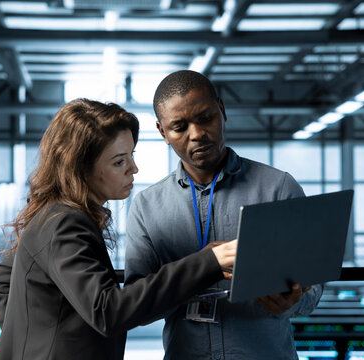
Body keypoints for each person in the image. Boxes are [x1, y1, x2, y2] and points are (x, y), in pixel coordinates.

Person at [0, 98, 238, 360]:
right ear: (81, 168)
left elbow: (2, 281)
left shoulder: (52, 214)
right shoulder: (66, 223)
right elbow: (107, 311)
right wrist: (208, 263)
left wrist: (32, 341)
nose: (133, 169)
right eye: (119, 162)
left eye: (131, 155)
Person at [124, 70, 324, 359]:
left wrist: (293, 301)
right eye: (179, 127)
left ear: (222, 110)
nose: (197, 134)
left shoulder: (278, 188)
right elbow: (136, 303)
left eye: (205, 118)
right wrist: (192, 273)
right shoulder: (146, 206)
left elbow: (313, 287)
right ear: (162, 133)